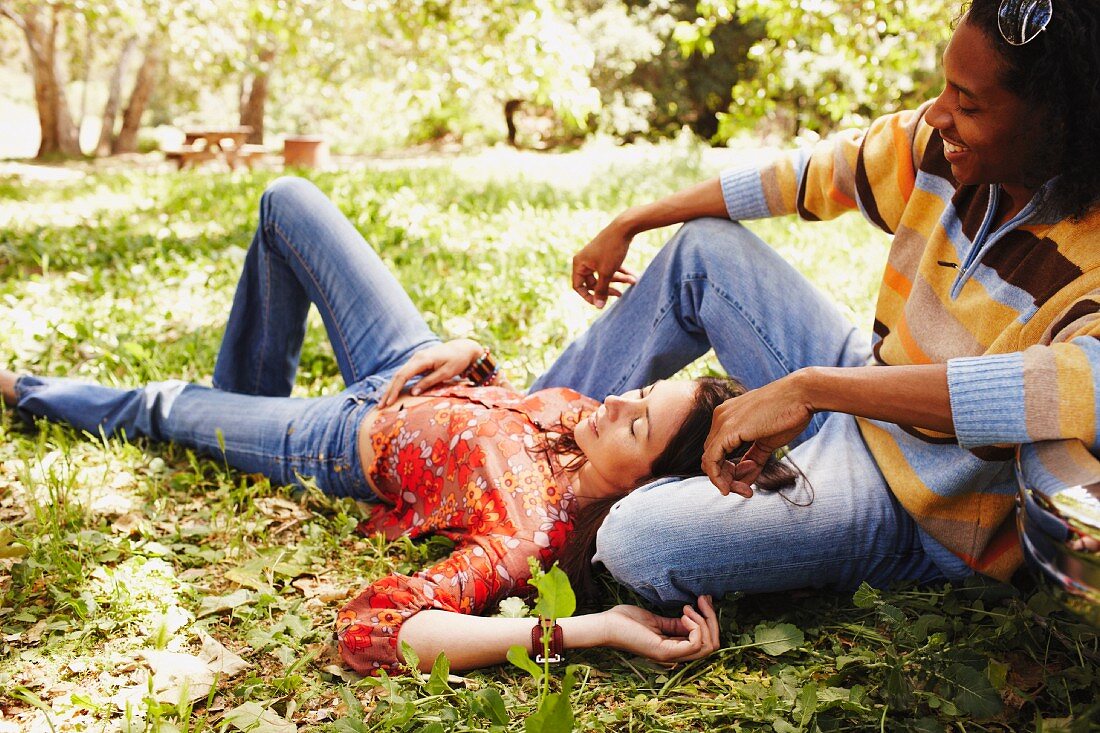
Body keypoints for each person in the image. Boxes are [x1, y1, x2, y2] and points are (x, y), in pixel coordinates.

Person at [0, 176, 798, 675]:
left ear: (637, 493)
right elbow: (515, 410)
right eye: (643, 393)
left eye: (634, 426)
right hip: (414, 360)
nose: (614, 401)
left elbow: (375, 628)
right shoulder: (586, 417)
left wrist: (591, 630)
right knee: (287, 201)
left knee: (161, 408)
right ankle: (240, 401)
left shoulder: (525, 538)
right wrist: (479, 360)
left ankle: (28, 391)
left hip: (343, 437)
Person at [532, 0, 1100, 606]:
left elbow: (1062, 390)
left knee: (638, 541)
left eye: (968, 104)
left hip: (920, 499)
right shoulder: (940, 146)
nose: (937, 114)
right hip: (864, 381)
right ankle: (522, 431)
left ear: (1058, 121)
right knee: (705, 250)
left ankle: (572, 501)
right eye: (945, 89)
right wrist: (634, 219)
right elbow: (811, 173)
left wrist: (810, 389)